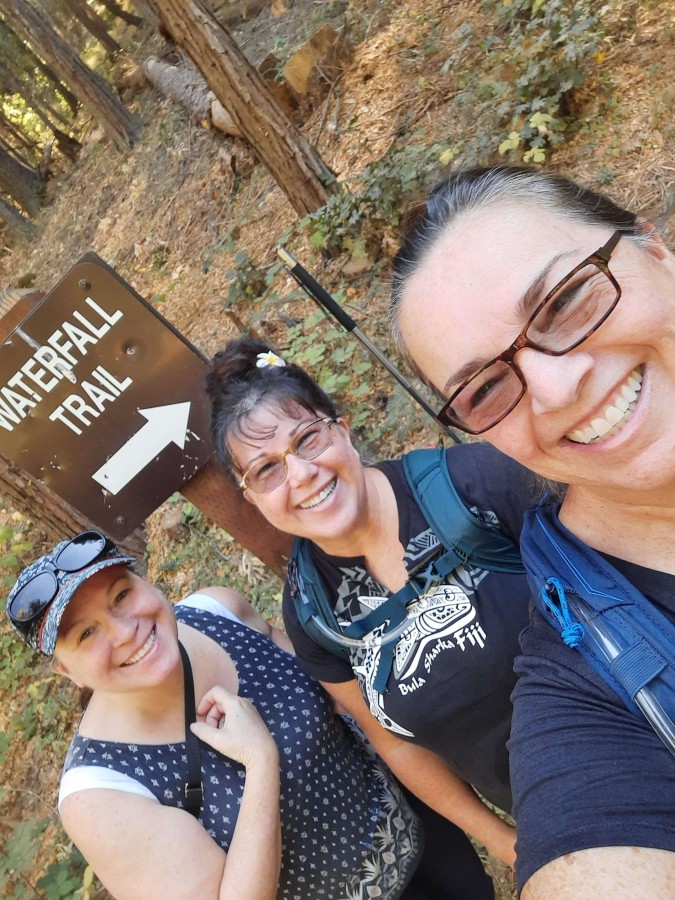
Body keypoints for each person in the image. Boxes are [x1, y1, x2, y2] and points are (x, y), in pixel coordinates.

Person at [388, 164, 675, 898]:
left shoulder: (460, 489)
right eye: (484, 389)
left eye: (564, 301)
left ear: (652, 248)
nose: (554, 388)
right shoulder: (579, 703)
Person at [206, 337, 539, 878]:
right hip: (548, 812)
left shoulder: (473, 484)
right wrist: (505, 842)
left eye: (307, 440)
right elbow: (391, 741)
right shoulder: (313, 617)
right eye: (266, 471)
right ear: (253, 498)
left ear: (340, 427)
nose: (300, 475)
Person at [5, 530, 439, 900]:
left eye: (121, 594)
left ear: (146, 582)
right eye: (85, 633)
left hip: (423, 840)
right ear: (66, 672)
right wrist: (260, 762)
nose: (124, 631)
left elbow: (343, 700)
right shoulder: (100, 794)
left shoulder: (220, 611)